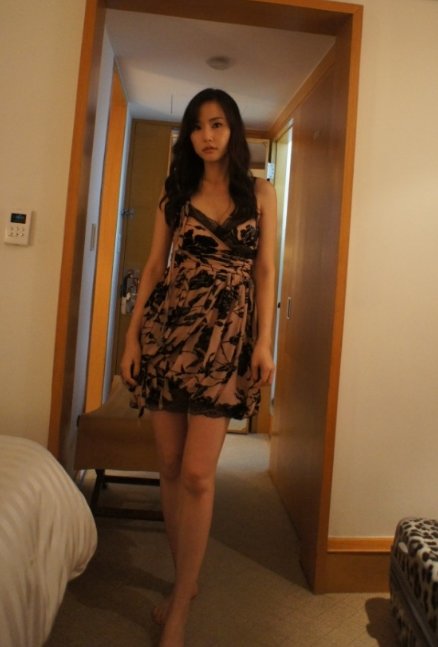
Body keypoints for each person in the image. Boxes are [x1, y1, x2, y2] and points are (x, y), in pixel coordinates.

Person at [120, 87, 277, 647]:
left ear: (232, 130)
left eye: (217, 124)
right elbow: (154, 266)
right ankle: (183, 583)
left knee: (196, 474)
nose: (206, 136)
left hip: (226, 342)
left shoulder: (261, 193)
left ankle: (180, 607)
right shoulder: (175, 194)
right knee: (167, 465)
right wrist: (132, 336)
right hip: (170, 334)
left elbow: (264, 271)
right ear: (188, 136)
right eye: (197, 126)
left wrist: (264, 342)